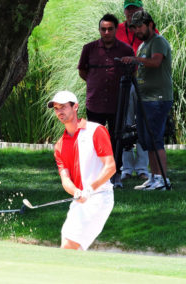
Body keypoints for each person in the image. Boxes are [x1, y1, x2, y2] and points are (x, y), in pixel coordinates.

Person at [48, 90, 116, 250]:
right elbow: (65, 180)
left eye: (63, 107)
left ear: (75, 107)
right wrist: (76, 192)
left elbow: (110, 167)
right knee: (68, 241)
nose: (59, 112)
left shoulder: (95, 131)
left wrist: (90, 189)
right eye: (56, 108)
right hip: (79, 199)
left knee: (70, 244)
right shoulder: (59, 146)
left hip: (100, 197)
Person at [78, 13, 134, 188]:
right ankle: (95, 176)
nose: (107, 32)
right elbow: (82, 70)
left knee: (117, 138)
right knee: (95, 139)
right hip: (95, 102)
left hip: (118, 102)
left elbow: (133, 72)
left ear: (116, 29)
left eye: (110, 29)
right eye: (103, 29)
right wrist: (95, 82)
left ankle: (115, 174)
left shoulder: (126, 50)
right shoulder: (89, 48)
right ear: (99, 30)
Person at [121, 11, 172, 190]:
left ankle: (163, 180)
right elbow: (141, 69)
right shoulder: (143, 44)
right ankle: (154, 177)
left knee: (156, 139)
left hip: (157, 99)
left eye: (140, 26)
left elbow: (156, 62)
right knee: (147, 140)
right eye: (134, 27)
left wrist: (134, 59)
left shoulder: (158, 41)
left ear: (150, 24)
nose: (137, 30)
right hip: (145, 99)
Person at [116, 0, 152, 181]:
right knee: (125, 124)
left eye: (135, 9)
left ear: (142, 9)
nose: (131, 12)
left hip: (144, 82)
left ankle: (142, 167)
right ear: (124, 12)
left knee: (144, 123)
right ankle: (126, 168)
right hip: (124, 82)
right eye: (128, 9)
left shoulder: (148, 29)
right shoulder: (118, 30)